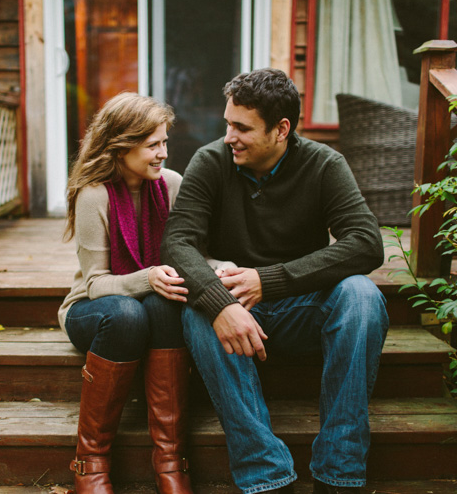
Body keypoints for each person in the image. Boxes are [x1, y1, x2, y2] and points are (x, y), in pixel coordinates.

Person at [160, 68, 389, 494]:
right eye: (228, 123)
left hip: (305, 308)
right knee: (198, 315)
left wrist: (271, 280)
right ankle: (267, 477)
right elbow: (177, 242)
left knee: (362, 295)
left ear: (281, 129)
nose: (229, 136)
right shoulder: (211, 162)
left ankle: (339, 473)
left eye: (242, 128)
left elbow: (365, 244)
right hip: (237, 313)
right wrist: (222, 304)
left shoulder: (323, 164)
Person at [58, 92, 193, 494]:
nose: (163, 154)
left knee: (166, 305)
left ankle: (170, 458)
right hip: (93, 309)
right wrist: (148, 278)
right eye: (153, 144)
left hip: (147, 307)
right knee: (127, 314)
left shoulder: (171, 186)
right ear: (122, 144)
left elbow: (189, 255)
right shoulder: (93, 194)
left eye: (165, 142)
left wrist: (221, 268)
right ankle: (91, 462)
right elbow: (96, 283)